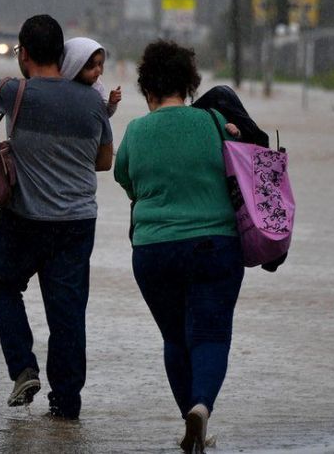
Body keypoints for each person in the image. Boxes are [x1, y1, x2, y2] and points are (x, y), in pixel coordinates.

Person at [0, 15, 114, 420]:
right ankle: (67, 405)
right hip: (77, 223)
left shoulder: (15, 92)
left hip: (24, 219)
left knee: (1, 283)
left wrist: (15, 81)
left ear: (26, 53)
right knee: (67, 312)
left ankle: (23, 368)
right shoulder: (94, 102)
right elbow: (103, 162)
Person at [113, 40, 244, 453]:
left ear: (146, 87)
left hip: (154, 250)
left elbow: (125, 179)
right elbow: (243, 169)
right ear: (189, 85)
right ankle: (201, 408)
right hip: (215, 244)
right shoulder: (214, 122)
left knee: (174, 337)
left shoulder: (136, 130)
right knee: (210, 335)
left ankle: (188, 415)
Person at [60, 37, 122, 117]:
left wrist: (112, 103)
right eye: (91, 66)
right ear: (74, 67)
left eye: (100, 64)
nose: (98, 70)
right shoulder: (61, 89)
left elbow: (104, 115)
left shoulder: (97, 87)